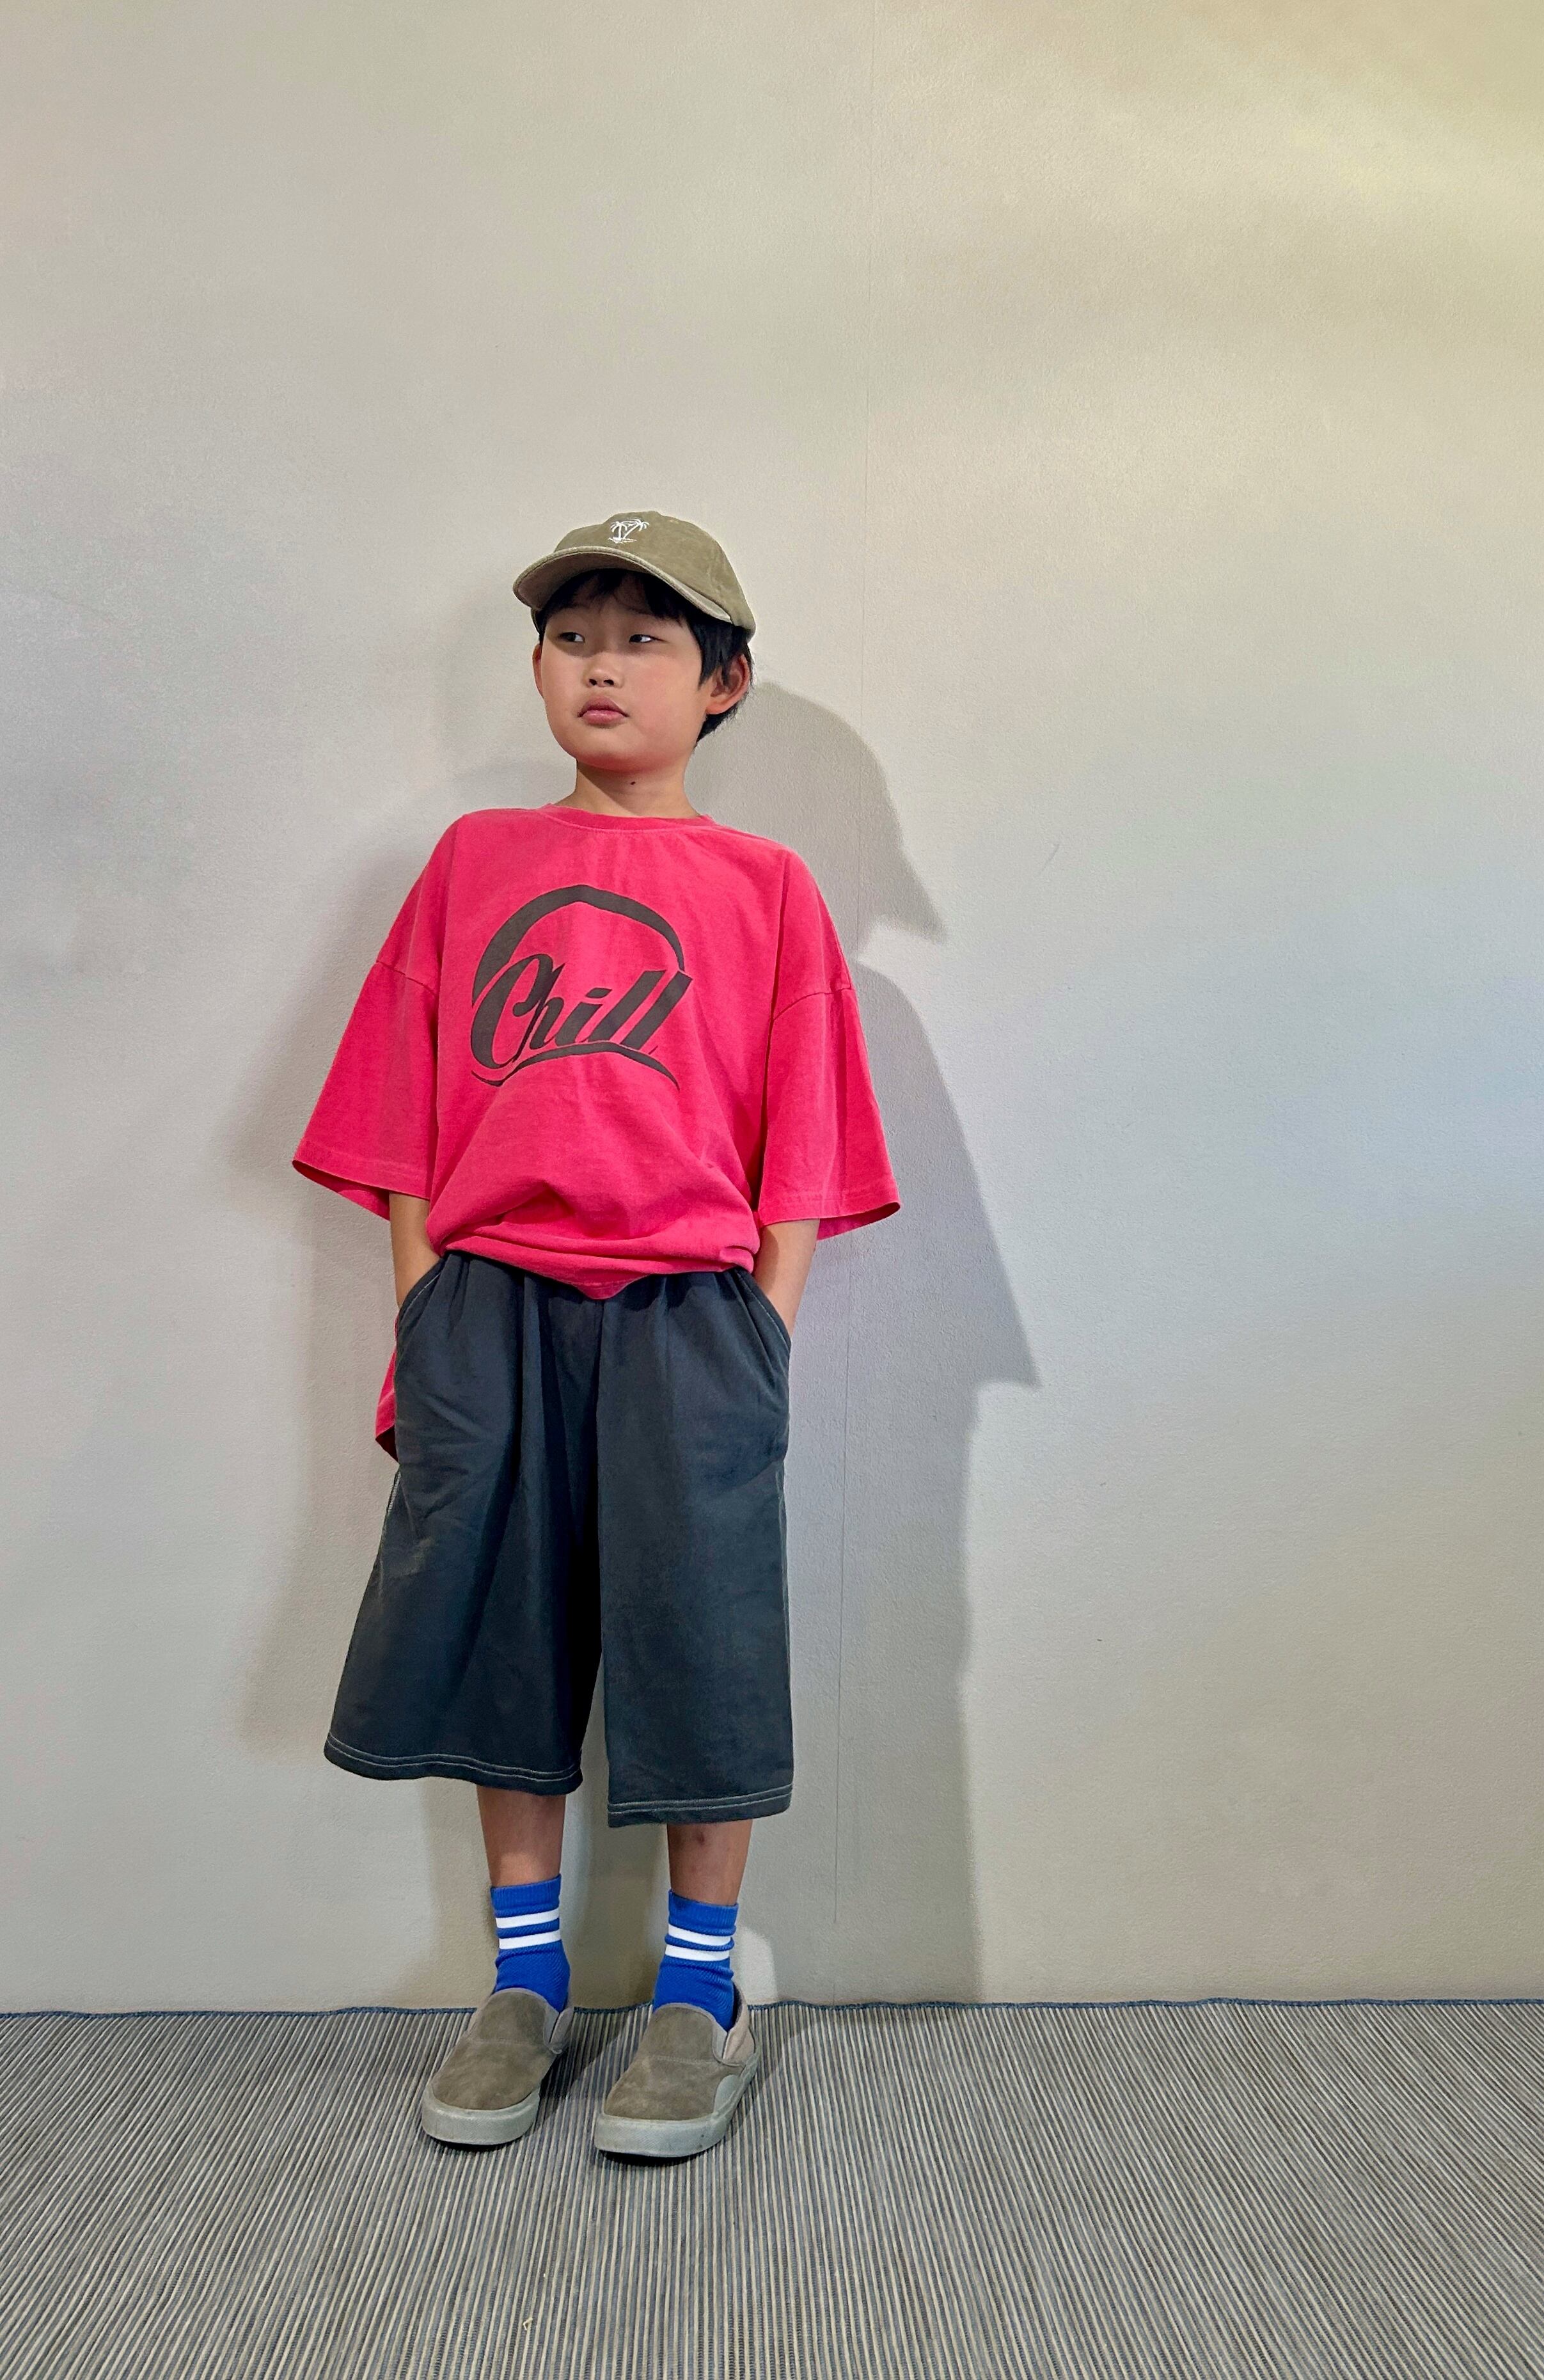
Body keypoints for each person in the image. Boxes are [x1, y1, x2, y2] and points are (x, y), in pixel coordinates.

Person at [291, 510, 900, 2159]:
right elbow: (402, 1097)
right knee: (506, 1625)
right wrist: (429, 1294)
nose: (602, 667)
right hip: (493, 1300)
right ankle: (526, 1983)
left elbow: (807, 1136)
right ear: (539, 669)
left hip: (692, 1310)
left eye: (643, 639)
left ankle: (701, 1997)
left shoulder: (767, 888)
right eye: (573, 638)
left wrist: (760, 1321)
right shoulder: (475, 861)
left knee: (703, 1632)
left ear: (724, 683)